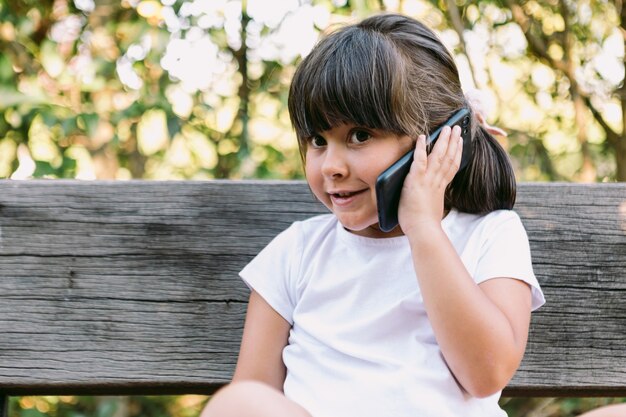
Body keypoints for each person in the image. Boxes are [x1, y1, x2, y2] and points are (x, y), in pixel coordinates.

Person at [201, 12, 545, 417]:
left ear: (435, 139)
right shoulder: (296, 253)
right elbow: (254, 399)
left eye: (359, 136)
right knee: (239, 403)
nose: (331, 165)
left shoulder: (490, 235)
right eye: (317, 140)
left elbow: (486, 374)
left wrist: (423, 229)